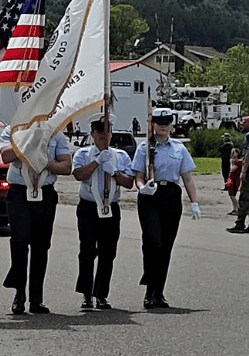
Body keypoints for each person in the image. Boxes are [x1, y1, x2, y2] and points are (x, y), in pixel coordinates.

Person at [131, 107, 200, 309]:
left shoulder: (179, 149)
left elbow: (187, 177)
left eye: (167, 123)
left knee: (166, 247)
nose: (163, 126)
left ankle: (157, 292)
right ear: (152, 125)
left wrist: (194, 202)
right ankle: (149, 289)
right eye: (159, 123)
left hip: (170, 196)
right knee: (153, 242)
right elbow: (138, 176)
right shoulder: (144, 148)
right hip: (150, 197)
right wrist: (142, 188)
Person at [0, 125, 71, 314]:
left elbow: (66, 166)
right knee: (20, 240)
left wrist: (46, 162)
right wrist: (28, 141)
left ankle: (36, 298)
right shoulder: (13, 130)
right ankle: (19, 294)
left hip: (45, 193)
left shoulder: (56, 133)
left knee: (41, 246)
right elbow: (6, 156)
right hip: (20, 192)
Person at [72, 115, 134, 310]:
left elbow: (129, 182)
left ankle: (101, 294)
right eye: (99, 131)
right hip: (89, 207)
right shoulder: (83, 154)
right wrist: (97, 162)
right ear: (92, 133)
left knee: (108, 253)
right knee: (88, 250)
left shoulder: (120, 155)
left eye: (107, 131)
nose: (103, 135)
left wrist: (114, 171)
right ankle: (86, 294)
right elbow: (78, 175)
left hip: (110, 207)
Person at [227, 116, 249, 235]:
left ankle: (240, 223)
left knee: (245, 197)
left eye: (245, 122)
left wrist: (243, 170)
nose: (242, 124)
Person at [225, 147, 242, 215]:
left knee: (232, 195)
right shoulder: (234, 161)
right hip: (231, 178)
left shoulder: (239, 162)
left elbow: (232, 169)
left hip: (235, 179)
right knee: (231, 195)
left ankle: (239, 208)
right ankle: (234, 209)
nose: (232, 154)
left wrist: (231, 163)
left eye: (233, 153)